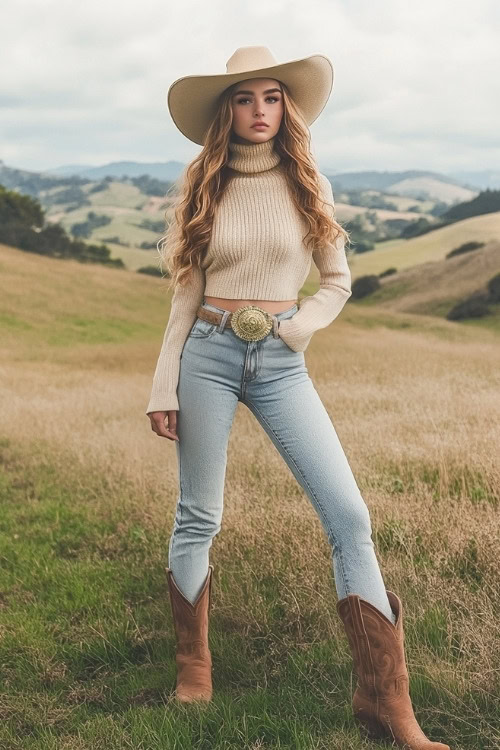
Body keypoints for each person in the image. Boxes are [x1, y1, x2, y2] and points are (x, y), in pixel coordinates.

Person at [146, 46, 449, 750]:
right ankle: (195, 668)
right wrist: (164, 383)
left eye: (273, 97)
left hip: (282, 362)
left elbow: (337, 280)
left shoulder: (309, 182)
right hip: (210, 355)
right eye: (246, 98)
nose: (260, 111)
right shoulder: (205, 186)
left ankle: (384, 700)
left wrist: (299, 328)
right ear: (228, 110)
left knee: (349, 514)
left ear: (289, 107)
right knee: (200, 514)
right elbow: (184, 296)